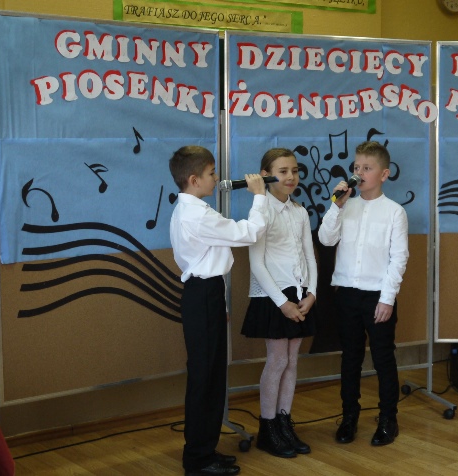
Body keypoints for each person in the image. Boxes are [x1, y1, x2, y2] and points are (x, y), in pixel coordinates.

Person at [168, 145, 268, 476]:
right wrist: (259, 196)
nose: (217, 178)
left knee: (211, 377)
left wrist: (219, 302)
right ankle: (198, 459)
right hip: (203, 295)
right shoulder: (197, 214)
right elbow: (249, 233)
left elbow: (212, 258)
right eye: (211, 173)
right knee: (204, 378)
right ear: (194, 179)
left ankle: (206, 451)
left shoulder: (192, 210)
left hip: (206, 294)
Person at [318, 140, 409, 447]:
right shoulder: (346, 206)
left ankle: (388, 419)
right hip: (346, 293)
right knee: (350, 358)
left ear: (383, 174)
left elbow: (399, 258)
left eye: (367, 168)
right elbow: (326, 239)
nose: (359, 173)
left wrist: (387, 299)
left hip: (377, 296)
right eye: (356, 167)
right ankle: (349, 417)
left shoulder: (394, 212)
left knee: (383, 358)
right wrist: (336, 205)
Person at [241, 148, 318, 458]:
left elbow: (309, 256)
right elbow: (256, 264)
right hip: (273, 297)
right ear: (266, 175)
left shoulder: (299, 211)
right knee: (277, 361)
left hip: (300, 294)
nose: (290, 177)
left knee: (292, 361)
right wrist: (282, 303)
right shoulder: (261, 211)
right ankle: (268, 428)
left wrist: (312, 293)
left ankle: (284, 423)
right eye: (283, 171)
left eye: (294, 171)